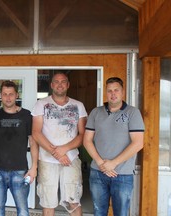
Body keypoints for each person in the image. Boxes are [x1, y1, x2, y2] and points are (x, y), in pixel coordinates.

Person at [83, 77, 145, 216]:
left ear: (123, 92)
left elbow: (138, 143)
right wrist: (101, 163)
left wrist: (113, 163)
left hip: (122, 174)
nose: (113, 93)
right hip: (98, 172)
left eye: (116, 90)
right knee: (99, 212)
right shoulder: (96, 112)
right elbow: (87, 140)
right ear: (106, 92)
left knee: (121, 213)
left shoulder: (132, 113)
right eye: (109, 90)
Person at [32, 72, 87, 216]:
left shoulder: (78, 105)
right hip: (47, 160)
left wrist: (64, 149)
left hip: (71, 159)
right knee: (48, 203)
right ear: (51, 85)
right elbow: (36, 132)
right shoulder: (41, 104)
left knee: (73, 201)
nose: (60, 84)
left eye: (63, 81)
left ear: (68, 85)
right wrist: (56, 153)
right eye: (56, 81)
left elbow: (83, 135)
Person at [0, 80, 38, 216]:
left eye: (11, 94)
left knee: (23, 210)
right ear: (1, 96)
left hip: (20, 172)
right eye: (5, 94)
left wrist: (34, 168)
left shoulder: (26, 116)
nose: (8, 97)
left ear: (16, 95)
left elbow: (33, 142)